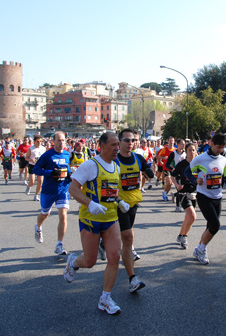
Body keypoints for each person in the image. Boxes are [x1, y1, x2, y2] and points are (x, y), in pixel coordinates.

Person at [64, 132, 125, 315]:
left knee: (114, 257)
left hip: (110, 219)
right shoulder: (91, 165)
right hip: (90, 220)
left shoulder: (116, 167)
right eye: (114, 145)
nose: (117, 148)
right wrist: (89, 204)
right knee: (89, 262)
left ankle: (105, 299)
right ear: (102, 146)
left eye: (118, 145)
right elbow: (73, 188)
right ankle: (74, 263)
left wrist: (119, 201)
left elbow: (111, 191)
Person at [115, 128, 155, 293]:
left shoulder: (138, 158)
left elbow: (148, 170)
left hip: (133, 203)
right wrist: (117, 200)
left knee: (127, 235)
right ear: (119, 142)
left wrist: (149, 172)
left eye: (132, 140)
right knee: (128, 237)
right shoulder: (114, 160)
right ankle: (132, 278)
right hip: (119, 204)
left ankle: (111, 243)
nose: (130, 143)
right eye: (126, 140)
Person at [188, 132, 226, 265]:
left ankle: (200, 248)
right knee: (215, 225)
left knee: (210, 226)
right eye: (218, 147)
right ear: (211, 143)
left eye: (222, 147)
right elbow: (188, 172)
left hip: (217, 196)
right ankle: (201, 249)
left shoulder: (223, 159)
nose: (220, 150)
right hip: (204, 196)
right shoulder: (201, 159)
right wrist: (196, 179)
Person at [32, 132, 72, 255]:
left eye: (63, 140)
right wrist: (50, 173)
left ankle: (59, 244)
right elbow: (36, 169)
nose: (61, 143)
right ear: (53, 141)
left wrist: (70, 174)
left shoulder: (67, 154)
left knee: (63, 215)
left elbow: (67, 168)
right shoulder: (47, 155)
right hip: (49, 190)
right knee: (45, 214)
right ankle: (38, 227)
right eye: (59, 140)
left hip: (62, 190)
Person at [171, 142, 198, 249]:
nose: (192, 152)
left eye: (193, 150)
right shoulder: (182, 164)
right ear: (186, 152)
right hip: (183, 194)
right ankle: (184, 237)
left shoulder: (198, 164)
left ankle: (180, 235)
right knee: (192, 216)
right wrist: (177, 185)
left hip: (195, 194)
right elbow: (172, 176)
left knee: (188, 218)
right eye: (189, 150)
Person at [165, 138, 186, 212]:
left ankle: (174, 195)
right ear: (177, 145)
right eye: (182, 144)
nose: (183, 145)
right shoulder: (173, 154)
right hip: (176, 174)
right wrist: (172, 169)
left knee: (184, 190)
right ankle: (178, 206)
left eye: (184, 144)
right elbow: (167, 164)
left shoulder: (185, 153)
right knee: (179, 189)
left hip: (184, 173)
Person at [26, 135, 47, 201]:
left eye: (40, 141)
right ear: (34, 141)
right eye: (38, 141)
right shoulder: (31, 149)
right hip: (32, 165)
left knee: (40, 181)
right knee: (32, 182)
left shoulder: (43, 148)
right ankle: (29, 186)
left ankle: (36, 195)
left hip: (40, 166)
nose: (39, 143)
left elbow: (45, 157)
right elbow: (26, 158)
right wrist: (31, 160)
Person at [157, 136, 176, 201]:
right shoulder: (164, 149)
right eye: (170, 141)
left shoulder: (175, 150)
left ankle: (165, 193)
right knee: (168, 182)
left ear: (174, 142)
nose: (171, 142)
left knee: (170, 184)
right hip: (166, 168)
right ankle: (165, 193)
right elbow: (159, 155)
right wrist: (163, 158)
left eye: (172, 141)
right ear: (168, 141)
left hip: (173, 168)